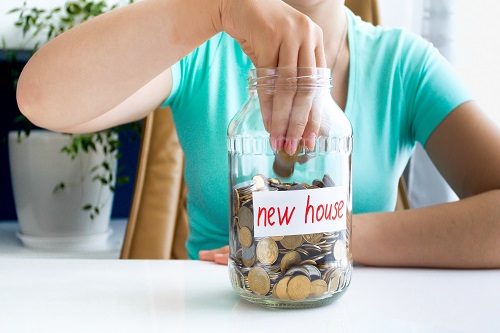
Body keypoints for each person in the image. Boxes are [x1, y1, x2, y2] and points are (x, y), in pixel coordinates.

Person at [17, 0, 500, 268]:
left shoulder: (404, 65)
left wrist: (334, 235)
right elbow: (40, 98)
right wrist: (217, 9)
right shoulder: (203, 50)